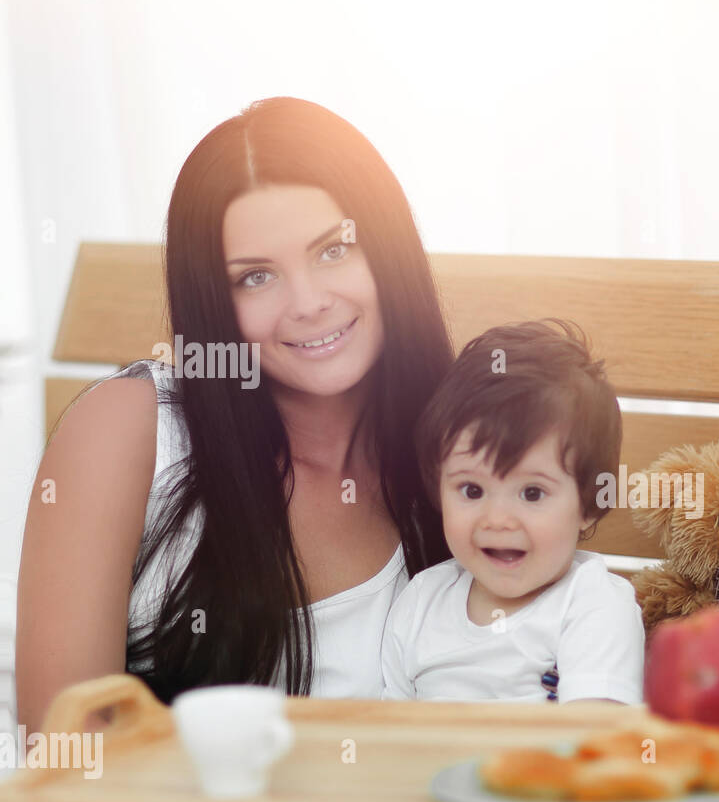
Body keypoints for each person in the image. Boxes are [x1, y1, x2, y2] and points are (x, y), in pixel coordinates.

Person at [16, 97, 455, 728]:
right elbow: (65, 754)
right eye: (255, 277)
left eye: (333, 251)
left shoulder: (459, 449)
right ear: (212, 305)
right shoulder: (129, 429)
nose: (308, 303)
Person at [380, 321, 645, 704]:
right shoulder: (421, 601)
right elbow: (390, 736)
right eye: (472, 490)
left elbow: (594, 740)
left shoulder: (592, 603)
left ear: (589, 504)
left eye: (532, 493)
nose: (498, 519)